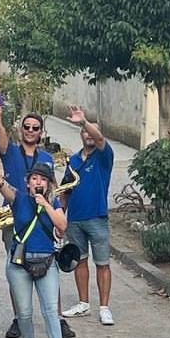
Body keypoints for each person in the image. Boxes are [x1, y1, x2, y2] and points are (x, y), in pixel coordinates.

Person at [0, 79, 75, 338]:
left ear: (41, 132)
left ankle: (58, 319)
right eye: (26, 127)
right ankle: (18, 319)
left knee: (50, 268)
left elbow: (54, 188)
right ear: (21, 129)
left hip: (43, 219)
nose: (30, 131)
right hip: (15, 217)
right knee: (17, 268)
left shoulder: (47, 158)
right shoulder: (9, 150)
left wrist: (59, 216)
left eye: (35, 128)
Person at [0, 160, 79, 338]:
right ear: (28, 182)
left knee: (50, 309)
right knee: (25, 312)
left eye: (44, 179)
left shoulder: (54, 202)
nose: (39, 182)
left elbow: (62, 225)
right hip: (19, 263)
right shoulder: (18, 198)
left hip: (47, 262)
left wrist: (45, 203)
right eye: (35, 178)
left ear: (48, 184)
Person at [60, 106, 115, 326]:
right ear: (81, 136)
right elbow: (65, 190)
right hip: (75, 218)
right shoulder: (73, 160)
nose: (89, 135)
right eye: (85, 132)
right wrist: (60, 218)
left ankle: (104, 307)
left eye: (91, 131)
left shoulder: (104, 157)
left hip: (97, 217)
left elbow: (100, 138)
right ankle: (83, 303)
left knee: (102, 263)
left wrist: (83, 121)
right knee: (79, 260)